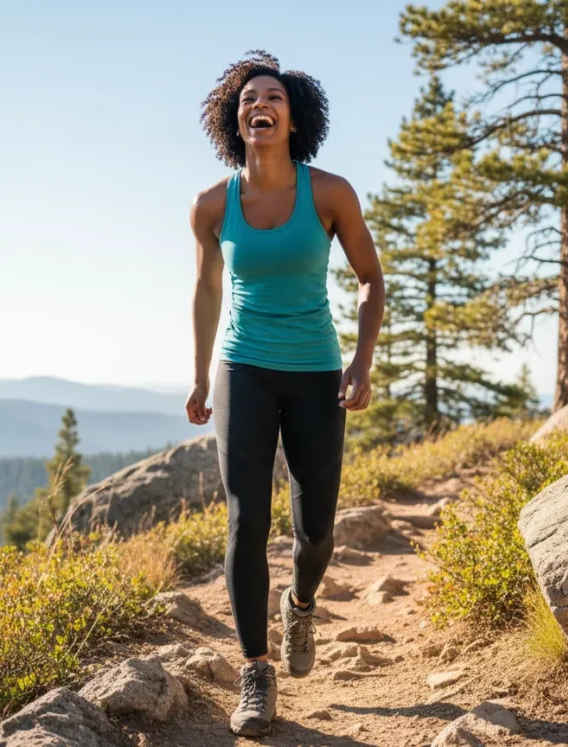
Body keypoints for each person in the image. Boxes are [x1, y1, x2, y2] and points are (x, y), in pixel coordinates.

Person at [185, 50, 384, 738]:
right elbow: (208, 287)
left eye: (270, 97)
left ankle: (300, 604)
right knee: (246, 521)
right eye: (246, 99)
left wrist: (360, 362)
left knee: (317, 529)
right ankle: (256, 670)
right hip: (242, 367)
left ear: (292, 117)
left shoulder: (329, 193)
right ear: (233, 121)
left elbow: (370, 279)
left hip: (315, 372)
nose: (257, 105)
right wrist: (198, 371)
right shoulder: (212, 204)